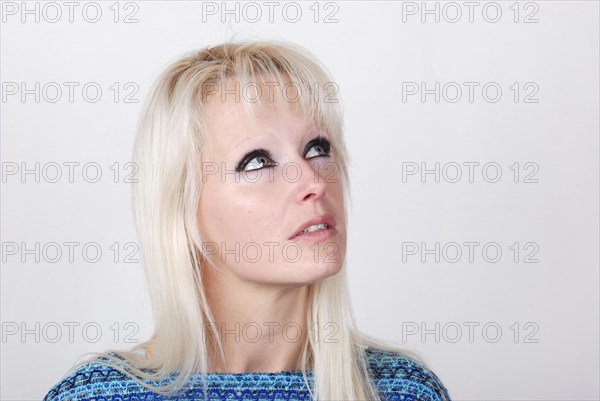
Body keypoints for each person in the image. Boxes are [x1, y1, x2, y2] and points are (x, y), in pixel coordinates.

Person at [44, 40, 451, 401]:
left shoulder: (403, 391)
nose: (311, 181)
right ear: (183, 211)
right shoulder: (96, 395)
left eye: (316, 148)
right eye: (257, 161)